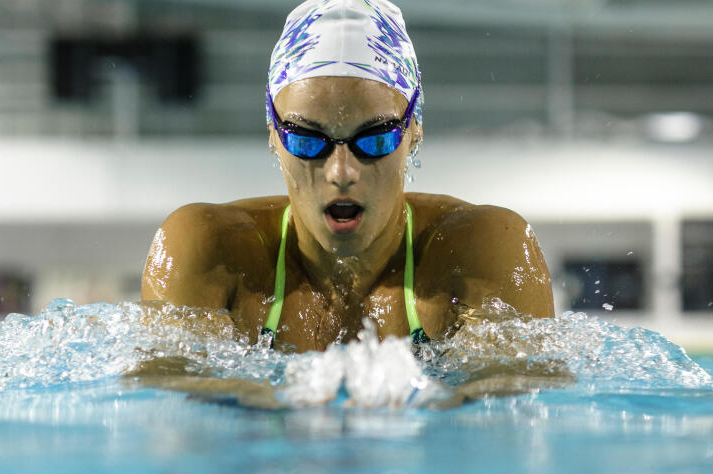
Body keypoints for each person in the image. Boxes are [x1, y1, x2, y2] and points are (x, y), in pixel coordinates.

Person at [141, 0, 554, 354]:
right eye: (307, 139)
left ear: (413, 130)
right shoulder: (204, 249)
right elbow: (171, 405)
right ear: (273, 132)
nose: (341, 172)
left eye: (374, 139)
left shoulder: (485, 250)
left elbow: (512, 411)